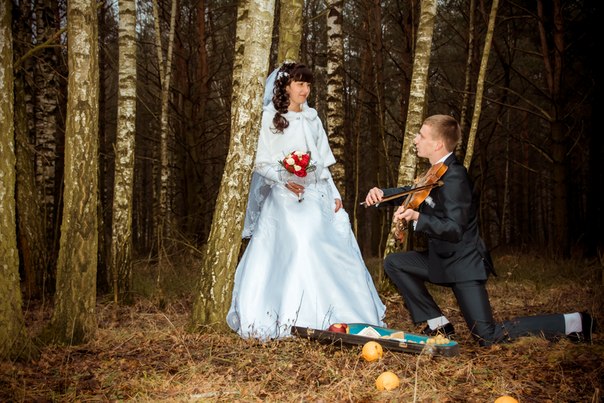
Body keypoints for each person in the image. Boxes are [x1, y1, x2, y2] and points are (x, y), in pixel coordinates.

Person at [363, 114, 597, 346]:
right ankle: (438, 324)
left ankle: (573, 323)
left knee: (487, 336)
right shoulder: (435, 172)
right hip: (441, 261)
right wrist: (382, 195)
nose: (416, 140)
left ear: (438, 144)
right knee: (395, 263)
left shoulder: (455, 176)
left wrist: (417, 217)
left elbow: (455, 229)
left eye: (421, 136)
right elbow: (412, 192)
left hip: (463, 265)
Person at [226, 62, 386, 340]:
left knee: (332, 241)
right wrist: (283, 177)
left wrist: (334, 194)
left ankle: (340, 314)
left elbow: (322, 163)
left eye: (308, 85)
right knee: (300, 243)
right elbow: (260, 161)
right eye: (299, 84)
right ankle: (293, 315)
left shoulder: (313, 118)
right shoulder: (269, 118)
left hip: (315, 192)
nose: (305, 90)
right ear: (285, 86)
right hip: (283, 196)